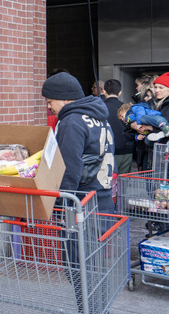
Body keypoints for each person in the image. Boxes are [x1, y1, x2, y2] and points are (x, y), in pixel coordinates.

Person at [42, 71, 115, 313]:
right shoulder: (98, 117)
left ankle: (90, 309)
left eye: (50, 100)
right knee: (94, 265)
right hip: (102, 199)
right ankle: (96, 307)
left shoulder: (72, 121)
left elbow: (69, 168)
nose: (49, 106)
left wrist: (60, 206)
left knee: (79, 265)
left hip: (81, 203)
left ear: (63, 99)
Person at [103, 79, 134, 175]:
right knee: (122, 182)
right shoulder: (127, 108)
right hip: (126, 150)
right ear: (120, 92)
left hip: (107, 150)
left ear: (104, 91)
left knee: (108, 181)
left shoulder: (100, 108)